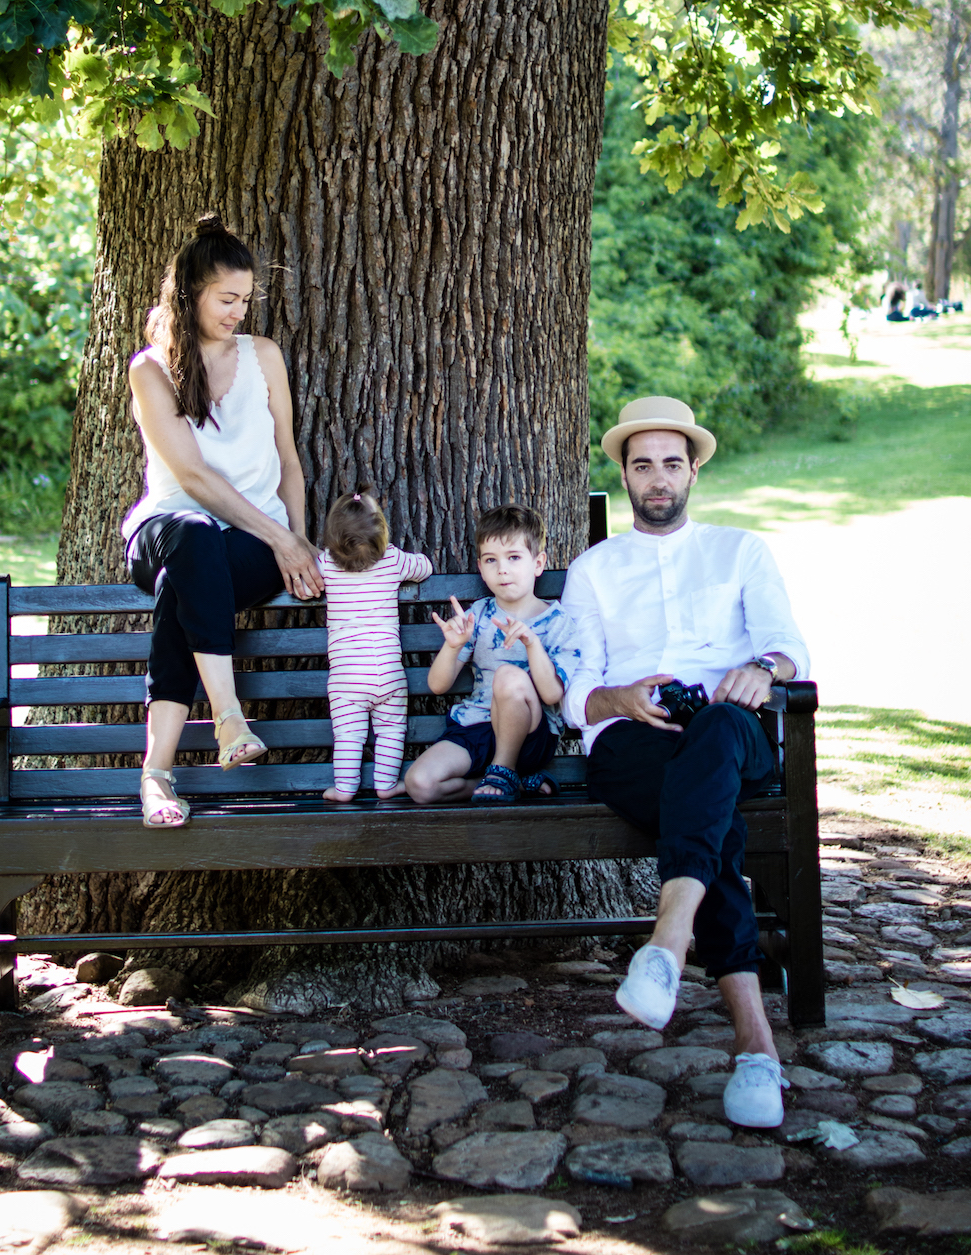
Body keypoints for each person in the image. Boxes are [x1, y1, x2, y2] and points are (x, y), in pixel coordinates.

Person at [560, 395, 810, 1129]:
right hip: (633, 740)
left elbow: (791, 648)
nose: (658, 479)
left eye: (672, 463)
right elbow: (576, 689)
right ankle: (755, 1046)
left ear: (694, 470)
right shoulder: (594, 569)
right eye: (643, 466)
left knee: (718, 736)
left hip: (730, 727)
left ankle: (669, 941)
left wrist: (763, 668)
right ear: (625, 475)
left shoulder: (741, 550)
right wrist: (618, 698)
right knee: (710, 815)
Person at [121, 214, 323, 829]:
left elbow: (288, 459)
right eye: (226, 299)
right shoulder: (151, 370)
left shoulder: (263, 357)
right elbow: (194, 478)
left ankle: (156, 775)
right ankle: (228, 716)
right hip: (167, 530)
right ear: (190, 292)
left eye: (245, 299)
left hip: (252, 543)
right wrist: (282, 537)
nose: (238, 311)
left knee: (183, 590)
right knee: (194, 538)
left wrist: (296, 537)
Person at [405, 505, 573, 805]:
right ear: (481, 568)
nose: (502, 569)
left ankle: (504, 769)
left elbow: (551, 695)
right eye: (491, 560)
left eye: (514, 557)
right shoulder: (479, 615)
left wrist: (532, 643)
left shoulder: (557, 621)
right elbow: (438, 685)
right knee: (420, 784)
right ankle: (515, 784)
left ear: (538, 563)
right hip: (477, 725)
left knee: (508, 675)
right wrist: (453, 646)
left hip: (530, 733)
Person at [318, 492, 433, 802]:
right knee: (392, 730)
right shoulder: (392, 560)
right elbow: (424, 567)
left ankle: (345, 788)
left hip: (347, 679)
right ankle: (386, 784)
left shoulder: (325, 564)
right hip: (388, 673)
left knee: (348, 734)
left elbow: (306, 580)